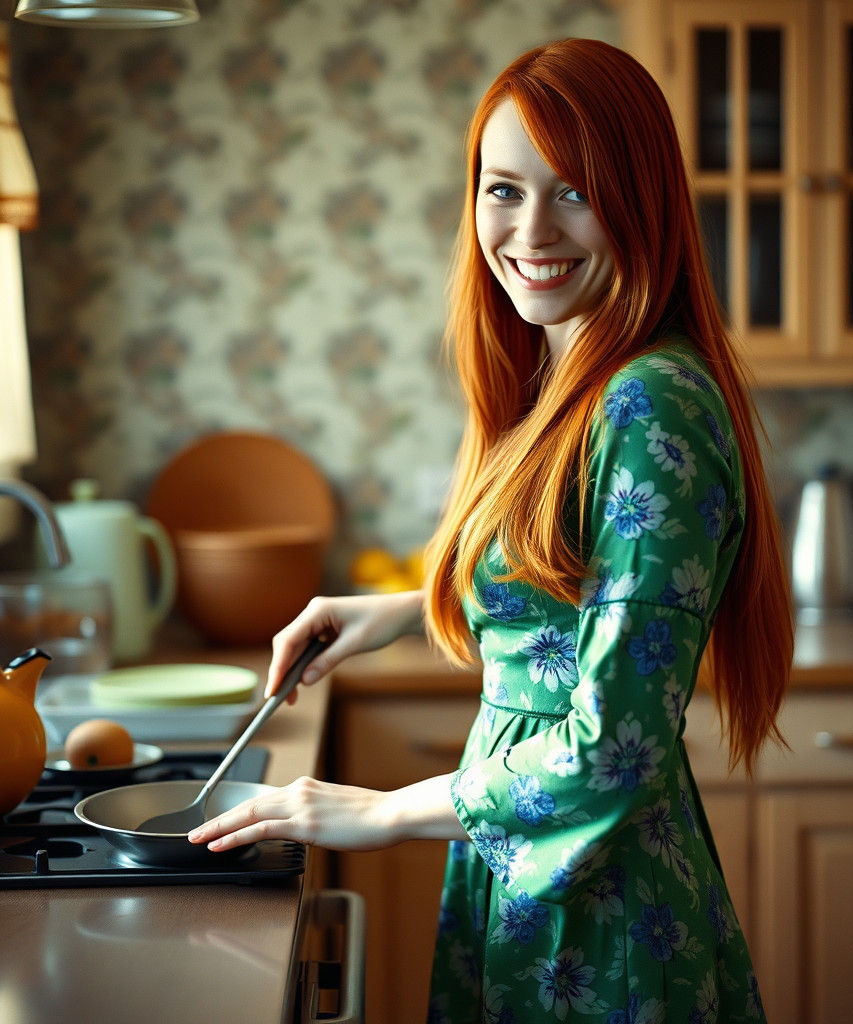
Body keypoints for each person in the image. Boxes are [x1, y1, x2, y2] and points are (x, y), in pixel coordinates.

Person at [188, 37, 793, 1022]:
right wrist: (398, 609)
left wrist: (383, 811)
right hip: (530, 873)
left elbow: (614, 744)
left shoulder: (649, 403)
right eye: (502, 189)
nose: (530, 227)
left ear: (641, 202)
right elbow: (568, 606)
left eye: (575, 192)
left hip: (600, 905)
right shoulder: (569, 379)